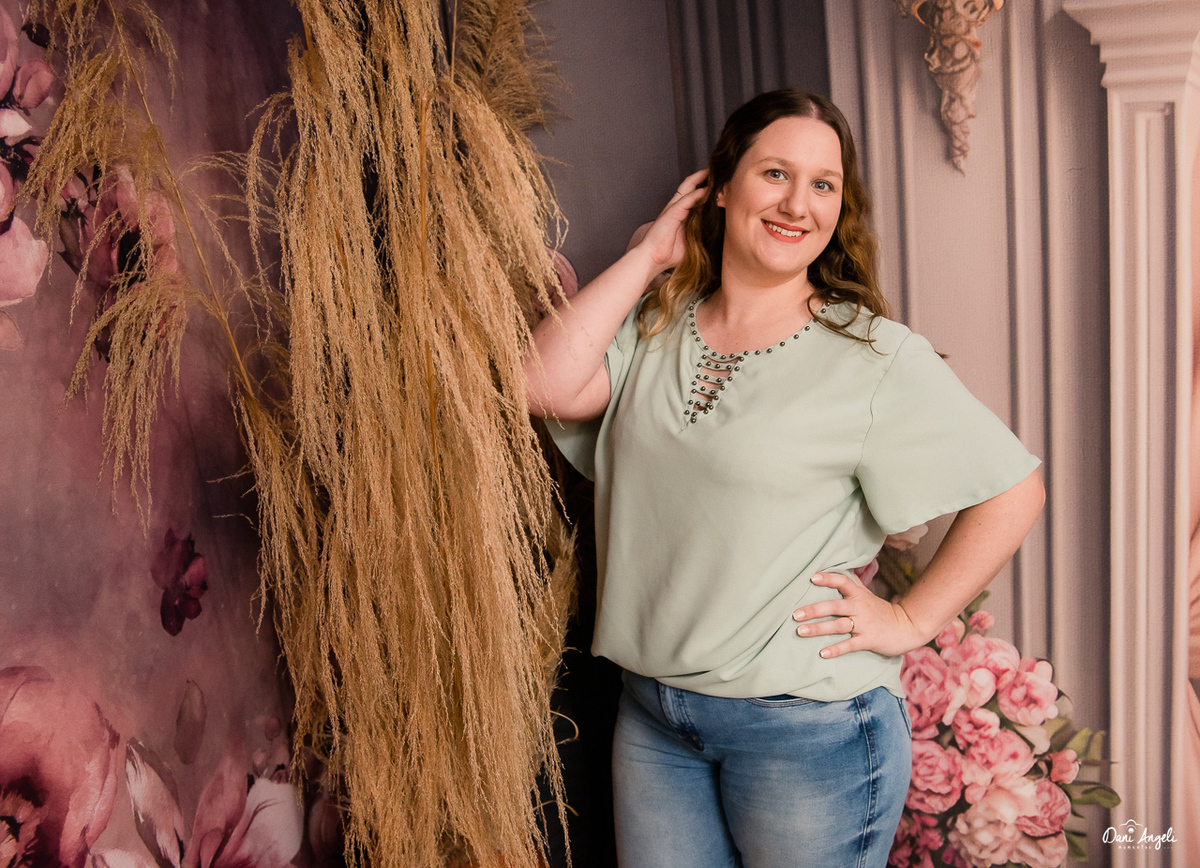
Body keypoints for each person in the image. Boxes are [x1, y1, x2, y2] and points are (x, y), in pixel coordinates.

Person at [523, 89, 1044, 868]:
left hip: (806, 731)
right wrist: (650, 254)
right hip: (655, 719)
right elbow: (539, 384)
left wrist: (908, 621)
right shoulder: (657, 321)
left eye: (823, 184)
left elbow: (1014, 492)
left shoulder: (873, 354)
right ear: (719, 185)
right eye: (775, 173)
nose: (798, 203)